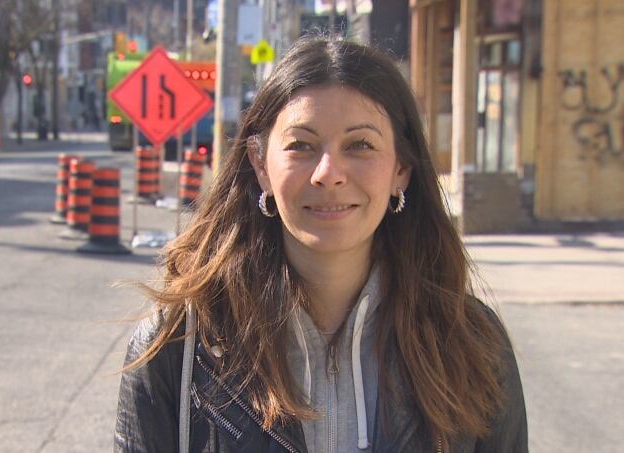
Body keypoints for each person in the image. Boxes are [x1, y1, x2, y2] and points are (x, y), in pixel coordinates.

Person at [115, 36, 528, 453]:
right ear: (261, 165)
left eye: (360, 145)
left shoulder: (471, 342)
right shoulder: (179, 344)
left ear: (401, 169)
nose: (328, 173)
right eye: (302, 146)